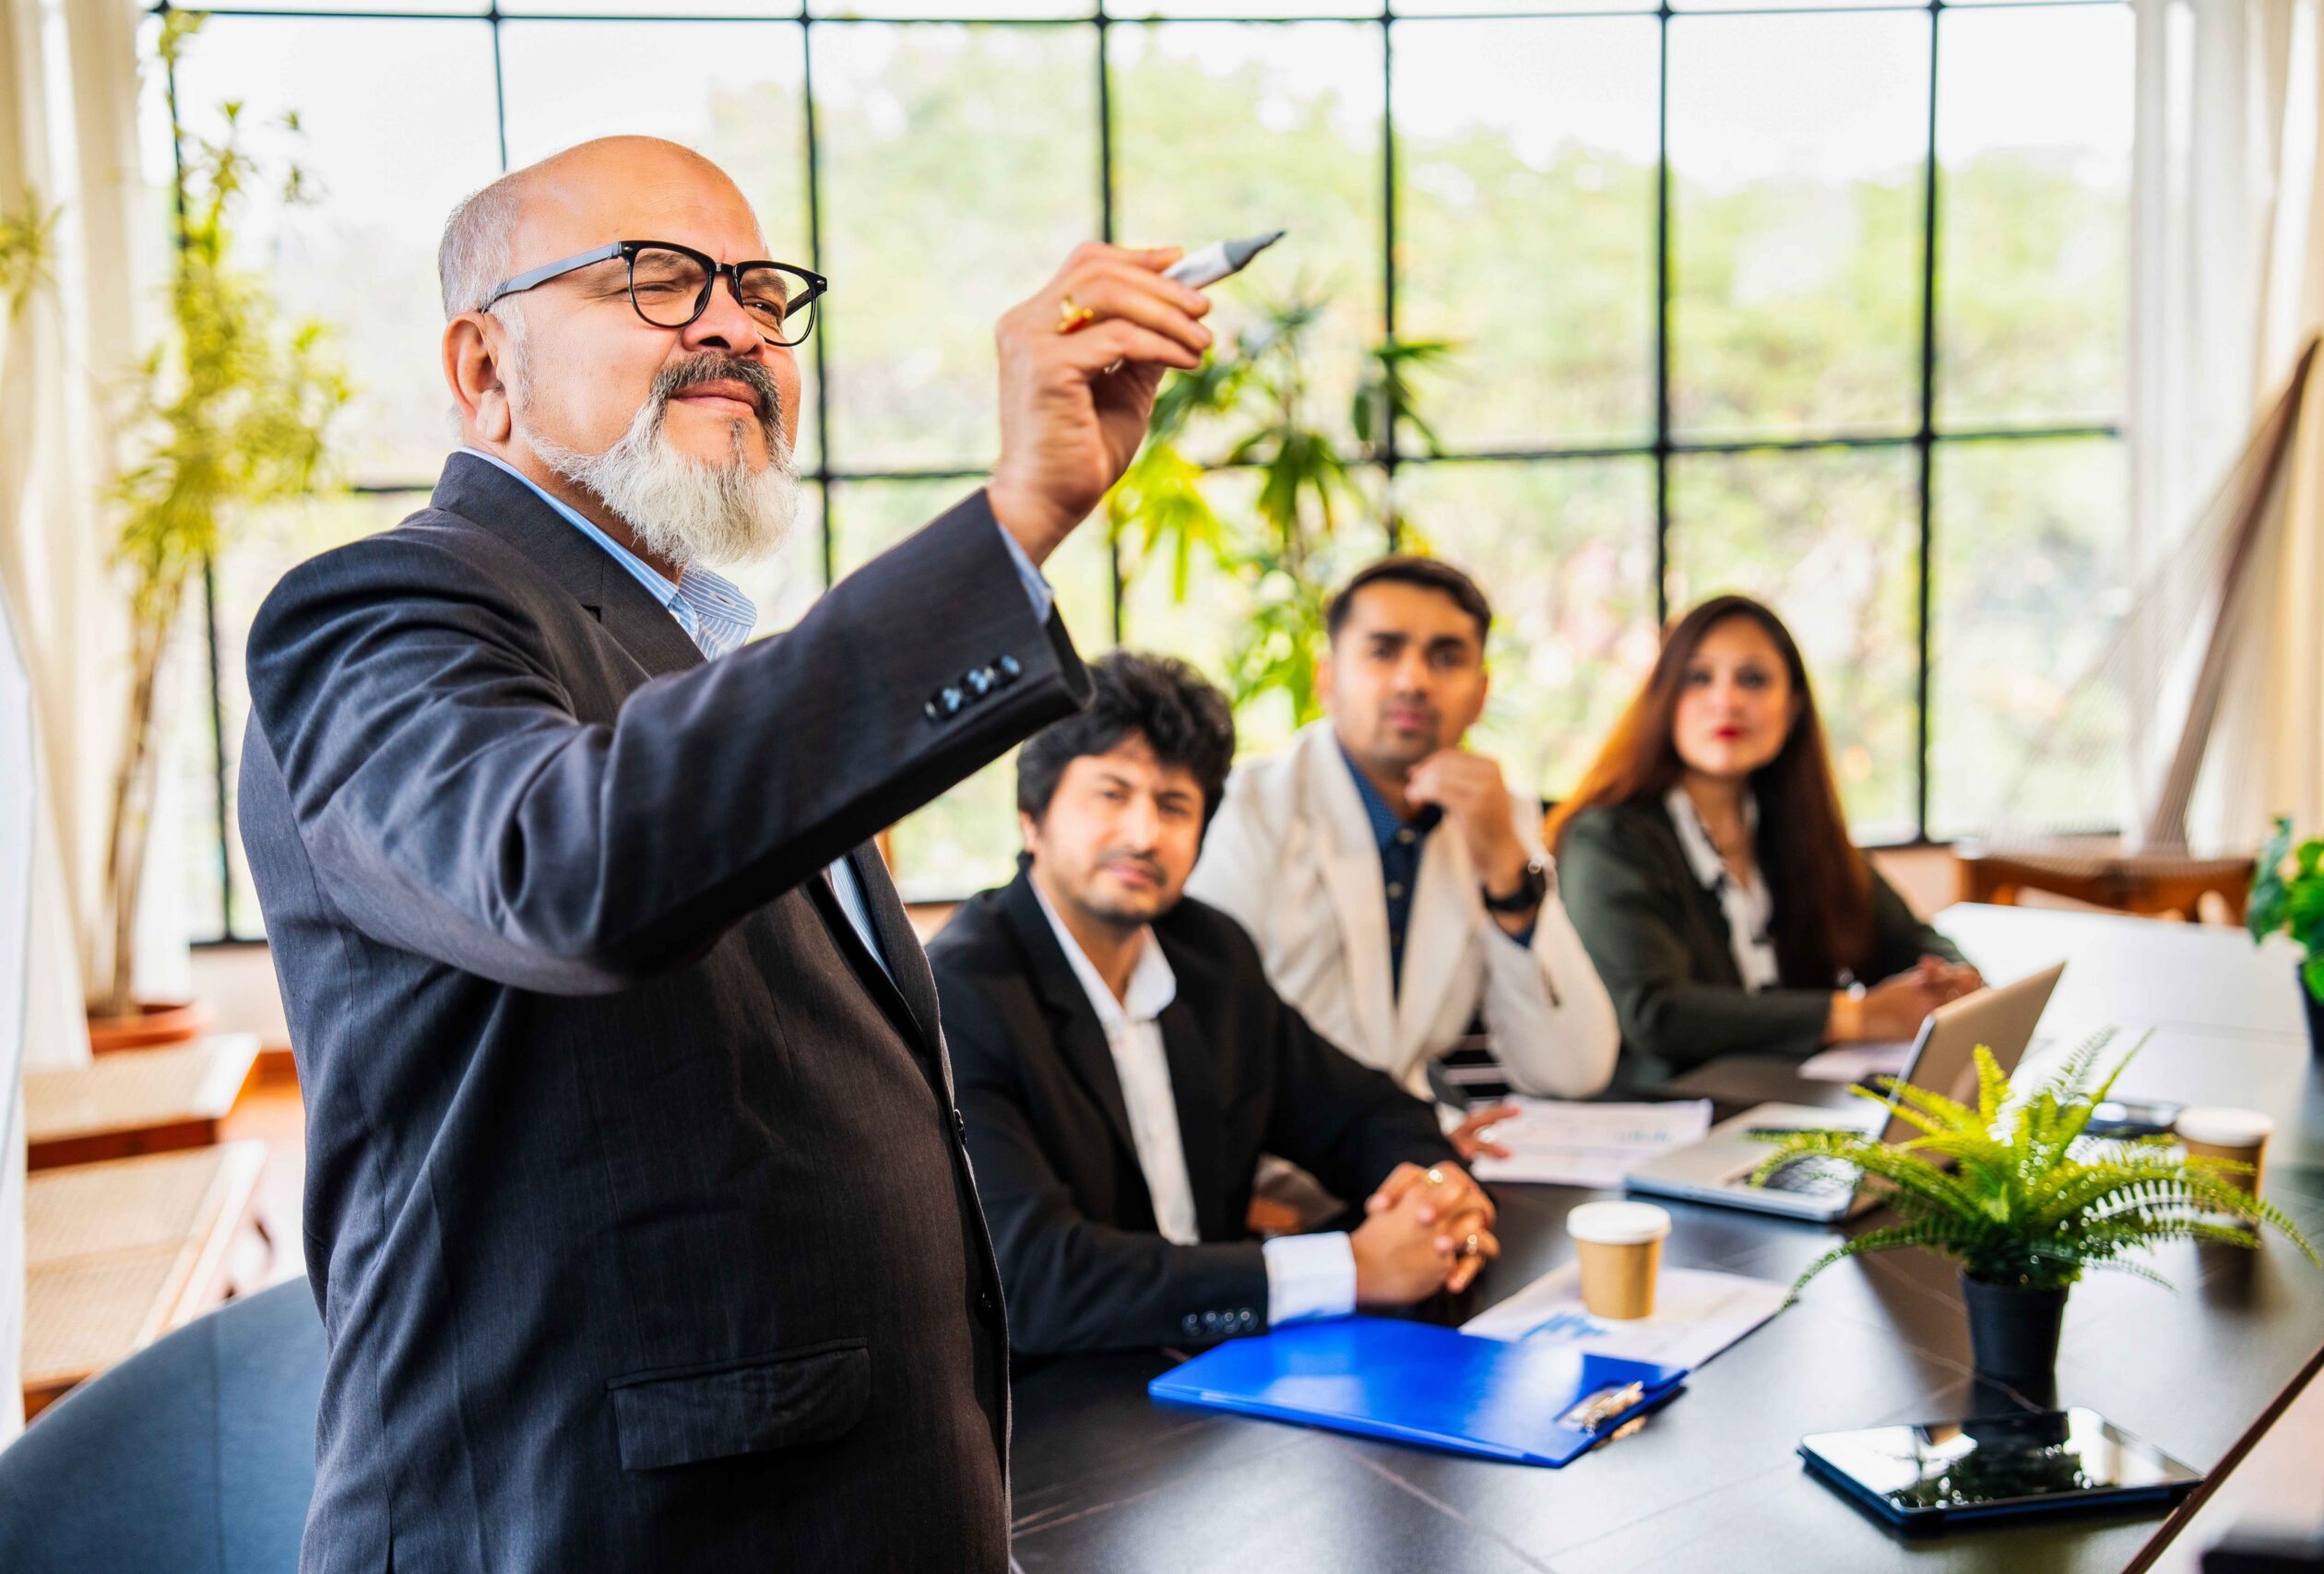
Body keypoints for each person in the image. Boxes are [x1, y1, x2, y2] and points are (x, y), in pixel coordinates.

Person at [237, 136, 1217, 1572]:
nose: (732, 324)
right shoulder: (383, 610)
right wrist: (1008, 526)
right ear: (481, 369)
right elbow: (566, 869)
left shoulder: (701, 658)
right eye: (654, 279)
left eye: (760, 289)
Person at [928, 651, 1501, 1357]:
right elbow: (1038, 1278)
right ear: (1032, 820)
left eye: (1174, 806)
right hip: (1057, 1408)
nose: (1144, 834)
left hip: (1225, 1374)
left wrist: (1438, 1197)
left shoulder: (1209, 955)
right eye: (1111, 794)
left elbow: (1364, 1113)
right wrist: (1349, 1268)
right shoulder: (962, 991)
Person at [1188, 555, 1619, 1158]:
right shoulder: (1245, 808)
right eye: (1383, 651)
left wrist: (1507, 870)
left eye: (1446, 657)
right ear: (1327, 678)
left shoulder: (1499, 815)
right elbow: (1201, 1046)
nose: (1413, 680)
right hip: (1265, 1176)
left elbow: (1573, 1069)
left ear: (1480, 692)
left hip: (1409, 1171)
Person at [1547, 594, 1982, 1090]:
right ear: (1664, 699)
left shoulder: (1797, 829)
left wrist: (1951, 980)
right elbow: (1655, 1011)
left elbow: (1909, 939)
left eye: (1753, 679)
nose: (1727, 700)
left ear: (1793, 706)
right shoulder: (1608, 838)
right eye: (1699, 677)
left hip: (1796, 1104)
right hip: (1666, 1118)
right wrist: (1856, 1018)